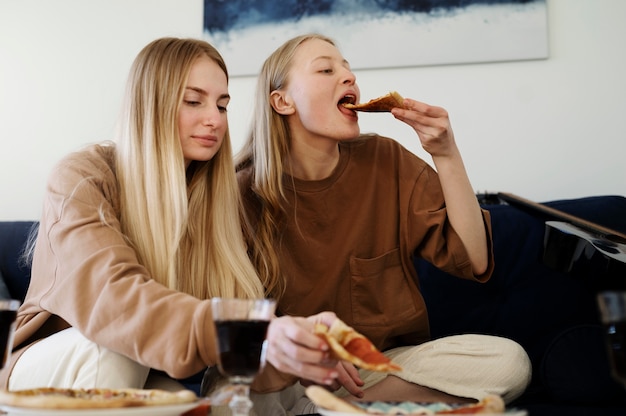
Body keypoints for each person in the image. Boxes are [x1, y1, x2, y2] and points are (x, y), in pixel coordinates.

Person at [0, 38, 341, 410]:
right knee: (114, 352)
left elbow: (237, 332)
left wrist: (298, 345)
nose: (215, 119)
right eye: (194, 101)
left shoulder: (215, 201)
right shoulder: (82, 178)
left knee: (209, 395)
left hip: (138, 368)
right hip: (37, 369)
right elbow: (116, 302)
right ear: (152, 103)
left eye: (222, 105)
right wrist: (243, 328)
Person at [235, 33, 532, 410]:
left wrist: (445, 152)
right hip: (290, 373)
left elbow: (474, 257)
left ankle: (334, 411)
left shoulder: (385, 160)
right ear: (282, 101)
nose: (349, 78)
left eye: (348, 69)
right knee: (232, 384)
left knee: (509, 364)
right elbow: (231, 326)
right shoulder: (239, 193)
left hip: (380, 371)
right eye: (326, 69)